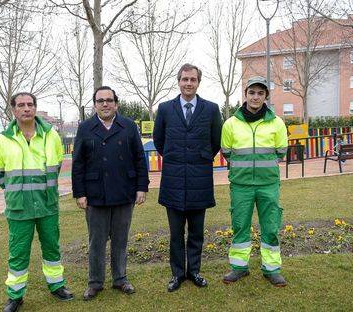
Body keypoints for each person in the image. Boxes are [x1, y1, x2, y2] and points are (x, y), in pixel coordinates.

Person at [0, 92, 74, 312]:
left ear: (35, 108)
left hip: (47, 204)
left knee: (52, 248)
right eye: (21, 105)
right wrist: (16, 191)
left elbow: (56, 166)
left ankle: (57, 286)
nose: (26, 108)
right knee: (18, 252)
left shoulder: (51, 136)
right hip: (19, 207)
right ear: (14, 110)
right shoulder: (2, 140)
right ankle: (15, 296)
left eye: (30, 104)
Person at [72, 86, 149, 300]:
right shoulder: (85, 128)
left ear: (116, 103)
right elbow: (78, 164)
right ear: (95, 104)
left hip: (124, 191)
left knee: (120, 239)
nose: (105, 104)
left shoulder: (129, 126)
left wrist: (142, 187)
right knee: (96, 241)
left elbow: (139, 159)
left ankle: (120, 279)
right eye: (100, 100)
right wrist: (80, 193)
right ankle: (95, 282)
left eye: (109, 100)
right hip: (95, 194)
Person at [153, 63, 222, 292]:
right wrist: (177, 159)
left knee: (196, 232)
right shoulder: (164, 109)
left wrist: (197, 159)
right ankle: (177, 275)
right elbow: (159, 141)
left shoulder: (211, 109)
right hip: (173, 181)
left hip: (199, 180)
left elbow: (215, 142)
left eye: (192, 79)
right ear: (178, 81)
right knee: (175, 234)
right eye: (185, 79)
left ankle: (194, 271)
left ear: (198, 82)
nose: (188, 83)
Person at [220, 76, 288, 287]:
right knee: (240, 225)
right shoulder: (230, 123)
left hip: (268, 185)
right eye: (252, 92)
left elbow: (281, 152)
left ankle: (272, 269)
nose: (255, 97)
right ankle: (239, 267)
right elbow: (227, 152)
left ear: (266, 96)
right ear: (246, 95)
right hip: (241, 186)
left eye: (260, 93)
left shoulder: (277, 123)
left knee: (270, 227)